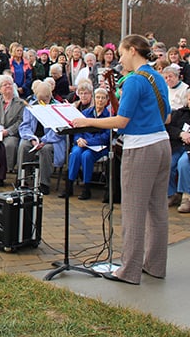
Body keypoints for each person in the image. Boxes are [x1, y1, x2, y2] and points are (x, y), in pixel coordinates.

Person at [72, 34, 171, 285]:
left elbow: (122, 121)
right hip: (162, 144)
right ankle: (155, 265)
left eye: (122, 53)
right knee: (158, 209)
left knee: (134, 211)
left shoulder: (135, 80)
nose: (120, 58)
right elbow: (167, 116)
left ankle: (129, 270)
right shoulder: (158, 77)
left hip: (141, 148)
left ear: (133, 50)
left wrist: (87, 121)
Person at [60, 88, 111, 200]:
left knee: (87, 156)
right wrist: (79, 139)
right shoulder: (86, 113)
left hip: (98, 146)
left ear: (107, 100)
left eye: (103, 98)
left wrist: (88, 142)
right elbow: (78, 130)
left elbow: (106, 137)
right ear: (94, 99)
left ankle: (86, 188)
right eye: (98, 97)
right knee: (75, 153)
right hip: (82, 143)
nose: (100, 100)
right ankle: (69, 186)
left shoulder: (108, 116)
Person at [18, 80, 66, 195]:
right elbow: (25, 126)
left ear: (50, 96)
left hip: (51, 140)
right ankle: (22, 180)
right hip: (34, 137)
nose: (42, 103)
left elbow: (59, 130)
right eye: (40, 101)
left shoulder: (58, 107)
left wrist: (44, 140)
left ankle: (44, 183)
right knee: (24, 145)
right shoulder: (31, 106)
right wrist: (32, 139)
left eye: (44, 100)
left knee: (45, 150)